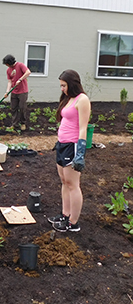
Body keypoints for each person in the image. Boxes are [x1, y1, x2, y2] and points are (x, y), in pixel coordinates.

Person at [48, 69, 91, 232]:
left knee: (73, 184)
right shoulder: (69, 98)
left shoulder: (82, 100)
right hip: (62, 145)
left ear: (72, 84)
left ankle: (73, 222)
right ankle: (65, 215)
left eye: (64, 85)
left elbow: (83, 128)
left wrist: (80, 153)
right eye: (60, 85)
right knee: (64, 181)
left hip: (73, 146)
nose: (62, 89)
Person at [2, 54, 31, 131]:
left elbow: (28, 72)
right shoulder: (8, 70)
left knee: (22, 108)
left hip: (23, 91)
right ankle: (14, 124)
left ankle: (23, 123)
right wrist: (7, 92)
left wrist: (20, 79)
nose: (6, 65)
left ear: (10, 62)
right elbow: (9, 81)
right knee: (13, 108)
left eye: (7, 64)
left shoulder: (20, 65)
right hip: (14, 91)